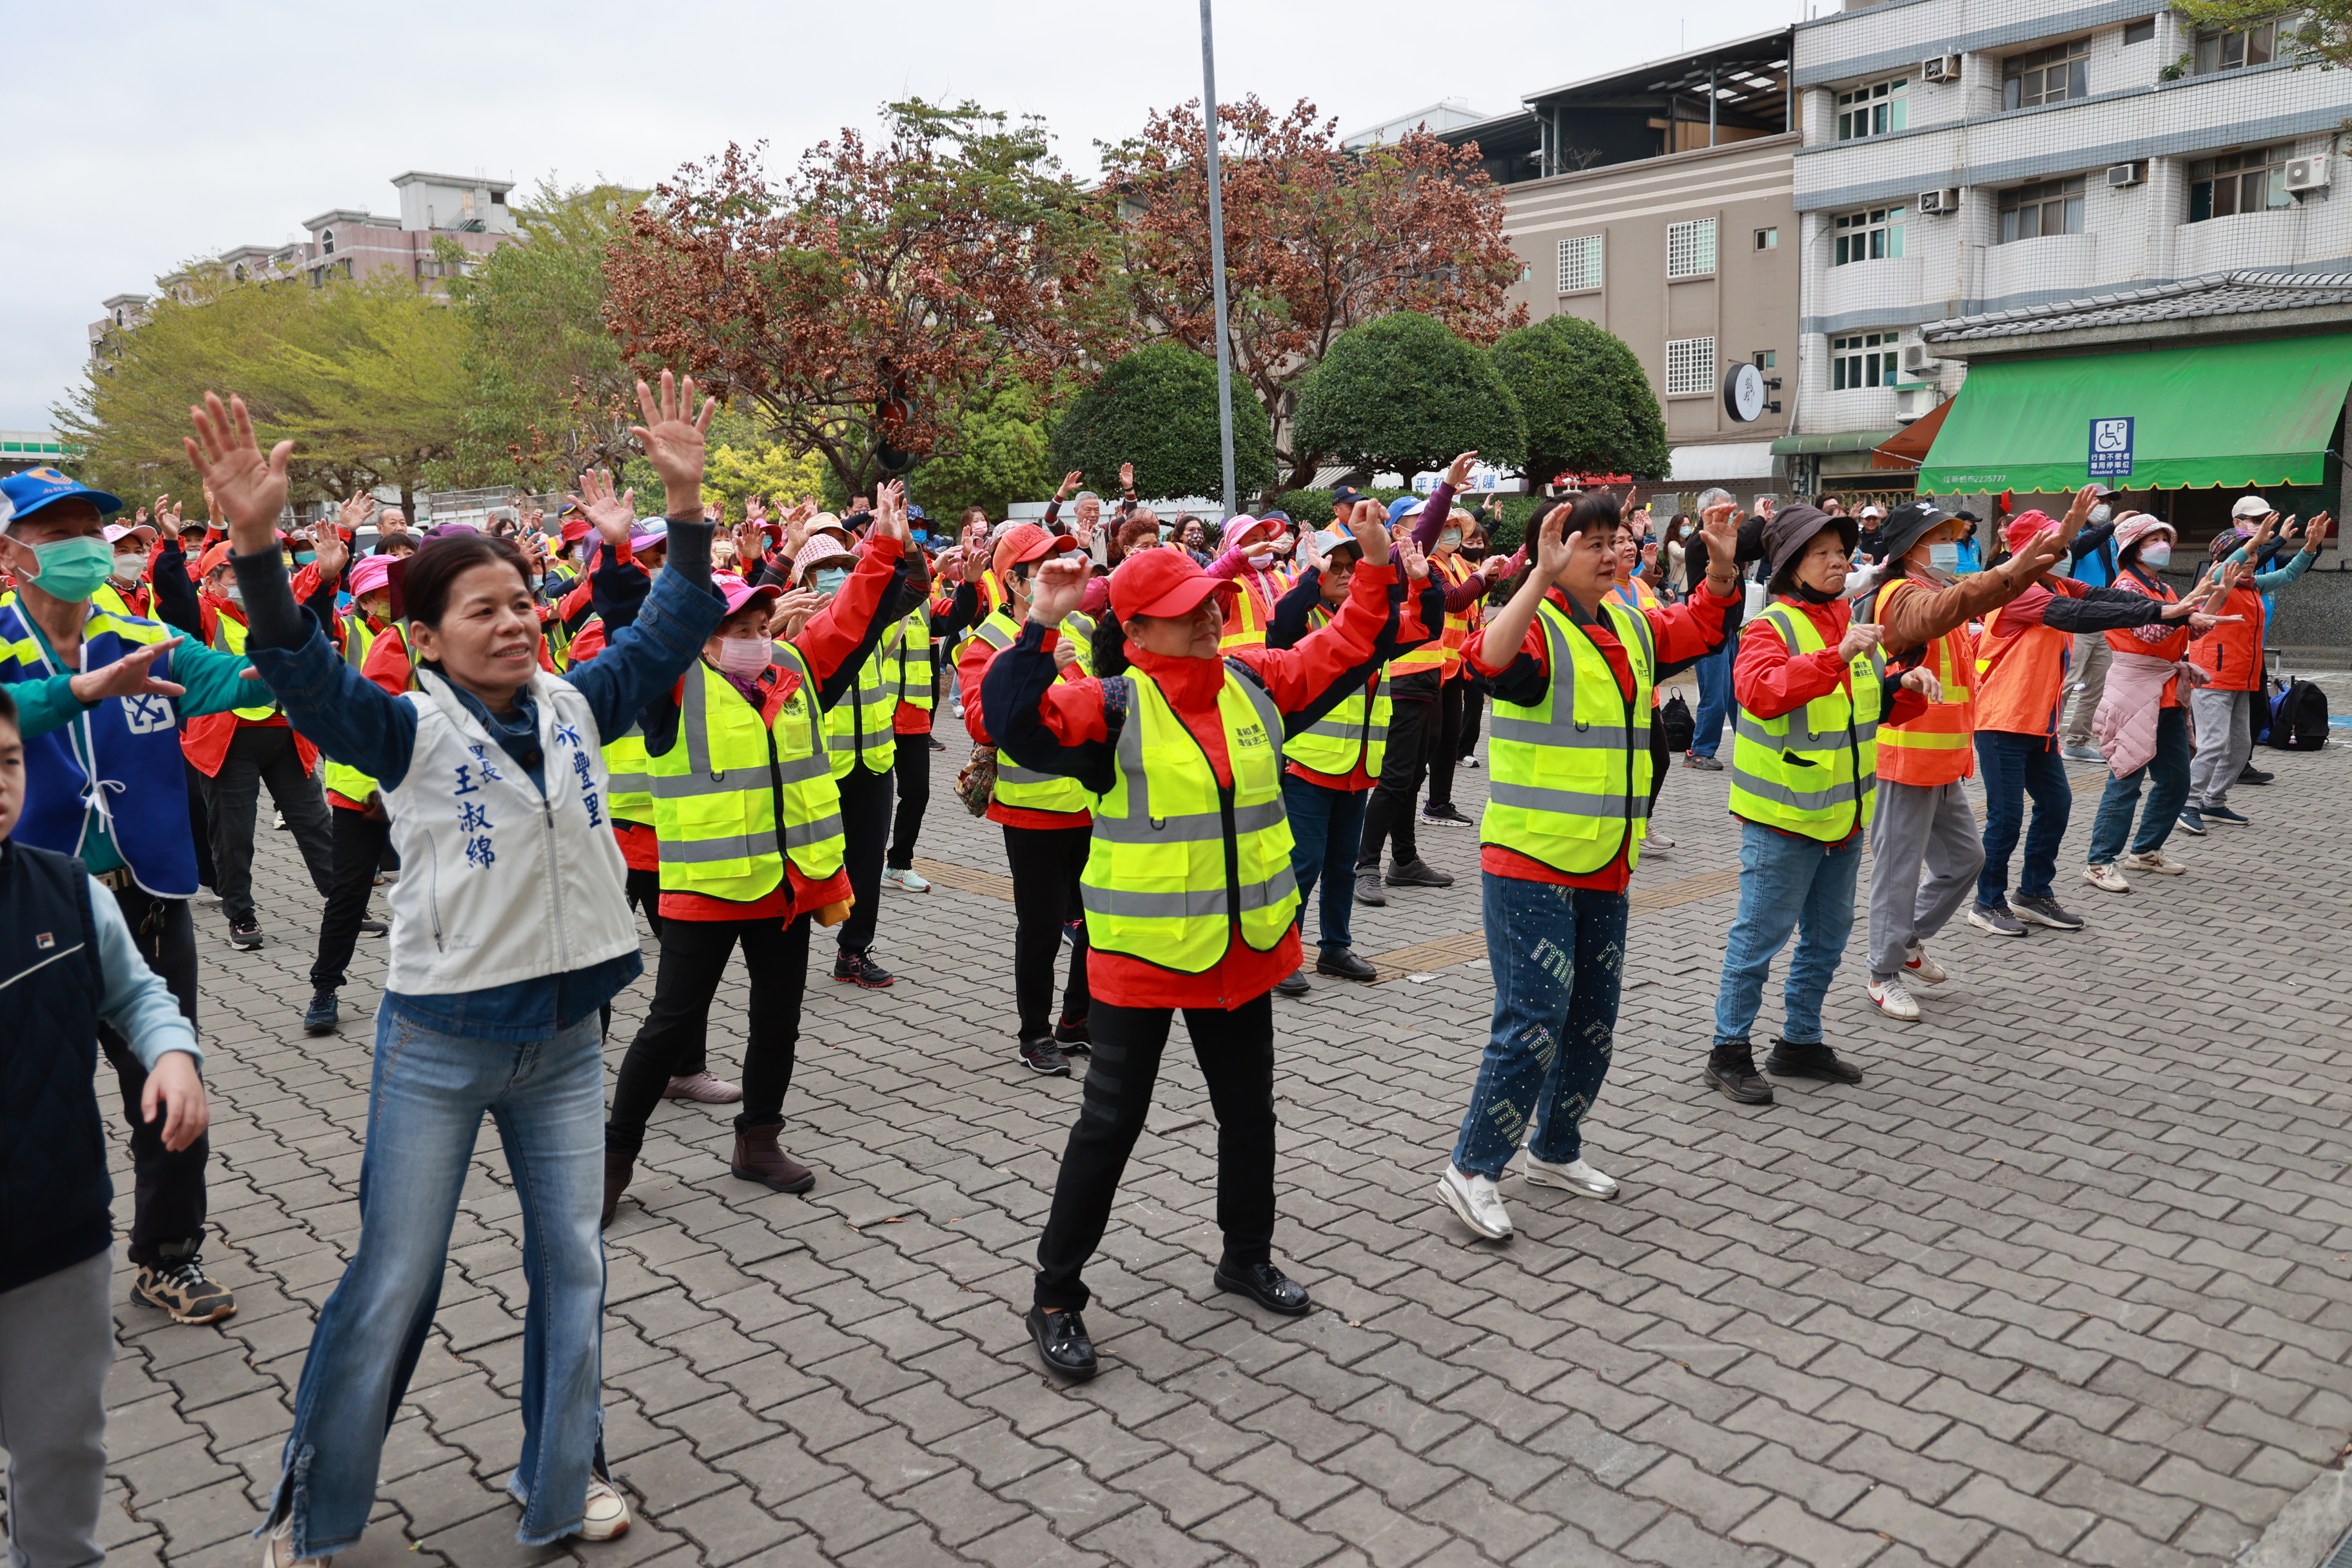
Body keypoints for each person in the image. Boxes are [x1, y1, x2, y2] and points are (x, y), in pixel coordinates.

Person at [194, 374, 727, 1558]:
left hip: (565, 1044)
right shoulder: (401, 728)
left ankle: (559, 1482)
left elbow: (674, 622)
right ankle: (316, 1509)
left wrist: (681, 504)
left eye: (524, 600)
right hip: (438, 1044)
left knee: (574, 1264)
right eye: (481, 610)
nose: (516, 621)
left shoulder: (583, 701)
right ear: (424, 639)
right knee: (395, 1279)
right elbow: (294, 665)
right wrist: (254, 545)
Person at [985, 504, 1409, 1380]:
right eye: (1188, 606)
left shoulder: (1252, 683)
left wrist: (1374, 568)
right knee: (1110, 1124)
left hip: (1242, 952)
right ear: (1137, 630)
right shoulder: (1108, 706)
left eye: (1212, 599)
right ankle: (1055, 1297)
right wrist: (1042, 622)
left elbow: (1346, 649)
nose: (1211, 613)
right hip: (1142, 961)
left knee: (1249, 1112)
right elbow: (1012, 720)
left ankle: (1244, 1255)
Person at [0, 466, 277, 1328]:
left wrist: (284, 629)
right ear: (12, 554)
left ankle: (168, 1256)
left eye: (92, 527)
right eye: (59, 532)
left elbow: (241, 688)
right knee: (28, 1101)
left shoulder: (138, 634)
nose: (86, 545)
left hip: (145, 897)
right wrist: (79, 692)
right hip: (28, 909)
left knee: (168, 1079)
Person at [1434, 496, 1743, 1240]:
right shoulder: (1533, 624)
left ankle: (1556, 1148)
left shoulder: (1631, 621)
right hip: (1531, 861)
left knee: (1594, 1020)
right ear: (1553, 548)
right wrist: (1532, 579)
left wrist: (1724, 563)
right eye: (1591, 542)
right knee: (1534, 1019)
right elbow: (1488, 660)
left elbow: (1701, 623)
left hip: (1605, 862)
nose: (1611, 553)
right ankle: (1473, 1167)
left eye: (1618, 540)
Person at [602, 491, 914, 1220]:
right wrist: (619, 559)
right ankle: (612, 1159)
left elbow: (851, 620)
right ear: (703, 638)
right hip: (707, 891)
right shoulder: (672, 687)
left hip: (786, 891)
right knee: (669, 1026)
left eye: (760, 623)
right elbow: (629, 634)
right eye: (736, 625)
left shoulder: (796, 675)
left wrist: (884, 551)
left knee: (779, 1022)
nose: (753, 634)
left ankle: (758, 1140)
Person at [0, 682, 210, 1568]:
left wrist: (172, 1053)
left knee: (63, 1445)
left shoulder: (61, 886)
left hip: (59, 1234)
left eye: (6, 763)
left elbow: (136, 994)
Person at [1700, 504, 1970, 1106]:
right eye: (1821, 553)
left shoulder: (1849, 625)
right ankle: (1729, 1049)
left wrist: (1904, 686)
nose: (1837, 561)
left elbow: (1865, 711)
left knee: (1826, 939)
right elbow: (1760, 694)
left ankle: (1800, 1041)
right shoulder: (1769, 627)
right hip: (1783, 820)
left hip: (1844, 818)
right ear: (1791, 565)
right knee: (1758, 941)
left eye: (1840, 551)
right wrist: (1839, 656)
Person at [1853, 495, 2089, 1023]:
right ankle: (1882, 971)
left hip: (1943, 760)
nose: (1951, 546)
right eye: (1939, 539)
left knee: (1966, 861)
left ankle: (1904, 941)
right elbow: (1962, 604)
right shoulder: (1901, 595)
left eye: (1951, 537)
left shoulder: (1941, 588)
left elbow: (1986, 594)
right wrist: (2033, 553)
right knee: (1897, 871)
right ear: (1911, 548)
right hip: (1907, 756)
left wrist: (2051, 548)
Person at [1966, 509, 2217, 937]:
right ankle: (1987, 902)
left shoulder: (2059, 583)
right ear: (2027, 552)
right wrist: (2163, 614)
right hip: (2001, 723)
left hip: (2039, 724)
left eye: (2064, 547)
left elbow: (2109, 599)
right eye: (2054, 547)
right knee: (2006, 819)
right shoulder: (2017, 592)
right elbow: (2078, 616)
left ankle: (2032, 893)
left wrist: (2170, 610)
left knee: (2057, 806)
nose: (2064, 554)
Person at [1267, 520, 1442, 997]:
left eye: (1353, 565)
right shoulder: (1307, 621)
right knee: (1302, 864)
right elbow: (1279, 628)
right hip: (1308, 765)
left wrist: (1423, 579)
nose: (1345, 574)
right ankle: (1283, 957)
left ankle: (1335, 947)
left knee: (1343, 864)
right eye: (1335, 566)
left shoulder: (1377, 627)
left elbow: (1428, 626)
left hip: (1357, 769)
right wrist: (1308, 575)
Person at [962, 524, 1106, 1073]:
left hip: (1092, 802)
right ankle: (1034, 1033)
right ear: (1015, 581)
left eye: (1062, 562)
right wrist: (1038, 663)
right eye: (1044, 567)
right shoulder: (989, 641)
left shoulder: (1085, 625)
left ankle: (1078, 1020)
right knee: (1043, 928)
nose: (1058, 574)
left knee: (1098, 918)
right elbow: (982, 721)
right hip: (1032, 810)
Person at [183, 533, 338, 949]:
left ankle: (345, 906)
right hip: (227, 741)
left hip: (287, 735)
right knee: (233, 834)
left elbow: (307, 589)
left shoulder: (274, 611)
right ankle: (241, 915)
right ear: (213, 580)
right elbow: (173, 599)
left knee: (315, 823)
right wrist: (181, 539)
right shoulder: (202, 611)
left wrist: (328, 565)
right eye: (238, 572)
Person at [791, 525, 930, 988]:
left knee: (867, 864)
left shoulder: (871, 615)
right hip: (817, 770)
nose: (835, 575)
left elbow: (915, 587)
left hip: (872, 760)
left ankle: (854, 951)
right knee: (804, 864)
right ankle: (779, 959)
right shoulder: (796, 628)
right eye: (823, 569)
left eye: (842, 567)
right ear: (804, 579)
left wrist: (904, 540)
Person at [1353, 455, 1480, 905]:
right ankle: (1364, 865)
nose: (1425, 530)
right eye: (1413, 523)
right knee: (1395, 779)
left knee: (1412, 776)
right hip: (1402, 682)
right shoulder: (1393, 558)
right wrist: (1445, 487)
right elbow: (1427, 529)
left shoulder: (1416, 564)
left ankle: (1403, 860)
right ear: (1396, 531)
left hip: (1428, 676)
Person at [2082, 516, 2227, 893]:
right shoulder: (2126, 586)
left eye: (2166, 538)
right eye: (2155, 539)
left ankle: (2145, 850)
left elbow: (2183, 628)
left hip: (2165, 692)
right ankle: (2100, 861)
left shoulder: (2161, 586)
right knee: (2126, 776)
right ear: (2134, 547)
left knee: (2176, 778)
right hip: (2135, 690)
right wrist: (2192, 604)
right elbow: (2151, 630)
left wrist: (2211, 600)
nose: (2163, 544)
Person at [2181, 509, 2331, 832]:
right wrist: (2260, 541)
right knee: (2213, 744)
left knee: (2239, 748)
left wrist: (2310, 547)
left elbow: (2290, 575)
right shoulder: (2213, 582)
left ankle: (2214, 802)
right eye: (2246, 552)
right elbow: (2226, 570)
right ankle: (2188, 804)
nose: (2251, 560)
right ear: (2222, 557)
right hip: (2212, 679)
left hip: (2242, 679)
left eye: (2254, 553)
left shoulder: (2253, 586)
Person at [302, 546, 397, 1034]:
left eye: (397, 591)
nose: (391, 600)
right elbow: (309, 631)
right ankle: (325, 987)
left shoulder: (428, 633)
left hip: (422, 784)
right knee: (349, 893)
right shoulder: (348, 631)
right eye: (381, 593)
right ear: (362, 600)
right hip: (360, 790)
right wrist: (324, 577)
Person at [882, 540, 980, 892]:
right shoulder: (872, 597)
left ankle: (899, 863)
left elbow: (955, 616)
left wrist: (969, 583)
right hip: (874, 716)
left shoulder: (925, 604)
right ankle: (856, 862)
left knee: (917, 793)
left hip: (913, 717)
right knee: (871, 801)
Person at [1420, 504, 1509, 831]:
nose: (1453, 533)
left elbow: (1471, 596)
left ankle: (1439, 803)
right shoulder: (1429, 565)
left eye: (1457, 527)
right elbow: (1454, 600)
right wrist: (1481, 575)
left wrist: (1489, 578)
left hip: (1456, 661)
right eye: (1447, 527)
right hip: (1432, 661)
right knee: (1432, 738)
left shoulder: (1456, 561)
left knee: (1448, 739)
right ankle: (1413, 797)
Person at [1678, 487, 1763, 772]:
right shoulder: (1699, 543)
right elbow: (1750, 535)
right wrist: (1760, 518)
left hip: (1730, 630)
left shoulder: (1729, 541)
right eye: (1722, 511)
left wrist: (1770, 523)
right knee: (1714, 693)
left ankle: (1750, 744)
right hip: (1706, 631)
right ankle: (1700, 751)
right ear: (1704, 515)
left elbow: (1758, 544)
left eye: (1730, 510)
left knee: (1735, 693)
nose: (1729, 516)